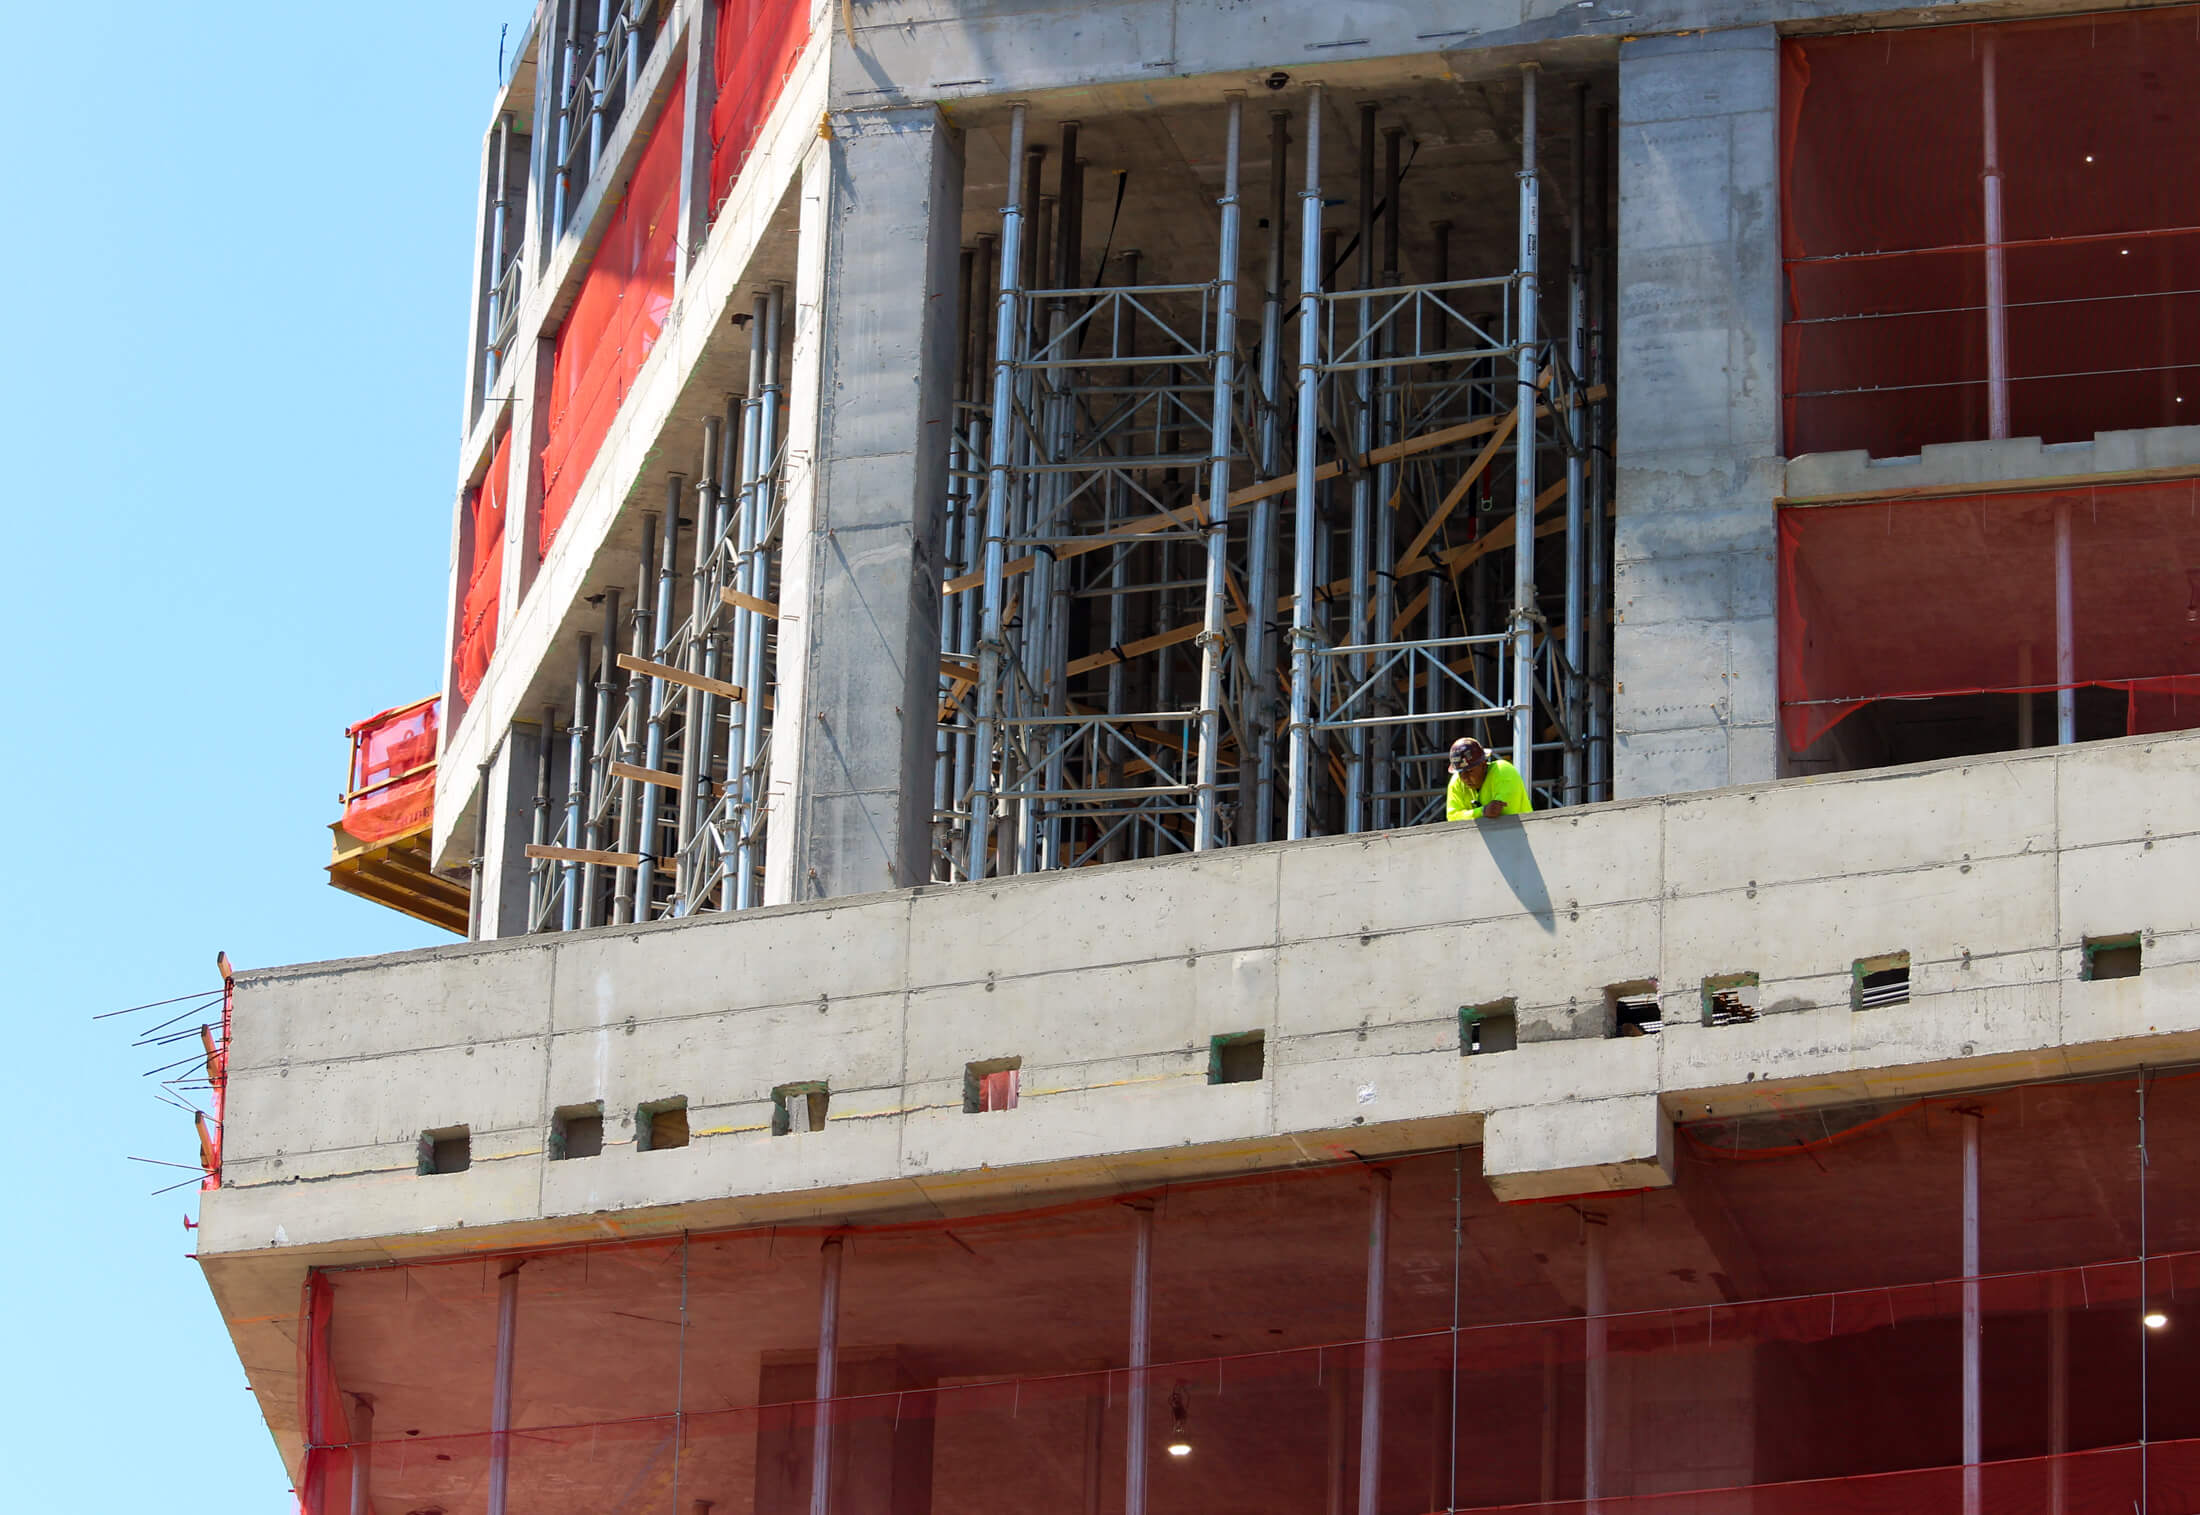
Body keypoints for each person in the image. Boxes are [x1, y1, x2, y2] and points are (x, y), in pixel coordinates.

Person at [1445, 736, 1532, 821]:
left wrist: (1474, 814)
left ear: (1483, 763)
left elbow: (1501, 816)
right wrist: (1482, 811)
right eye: (1460, 772)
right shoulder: (1456, 781)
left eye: (1470, 771)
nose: (1465, 778)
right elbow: (1452, 817)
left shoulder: (1503, 771)